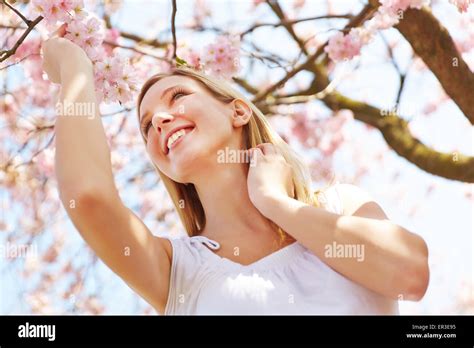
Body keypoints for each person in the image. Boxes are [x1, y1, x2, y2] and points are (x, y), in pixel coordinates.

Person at [42, 33, 429, 315]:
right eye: (146, 126)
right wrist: (76, 64)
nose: (159, 119)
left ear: (238, 112)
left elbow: (410, 274)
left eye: (177, 96)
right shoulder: (176, 270)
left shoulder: (340, 204)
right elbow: (89, 196)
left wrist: (276, 204)